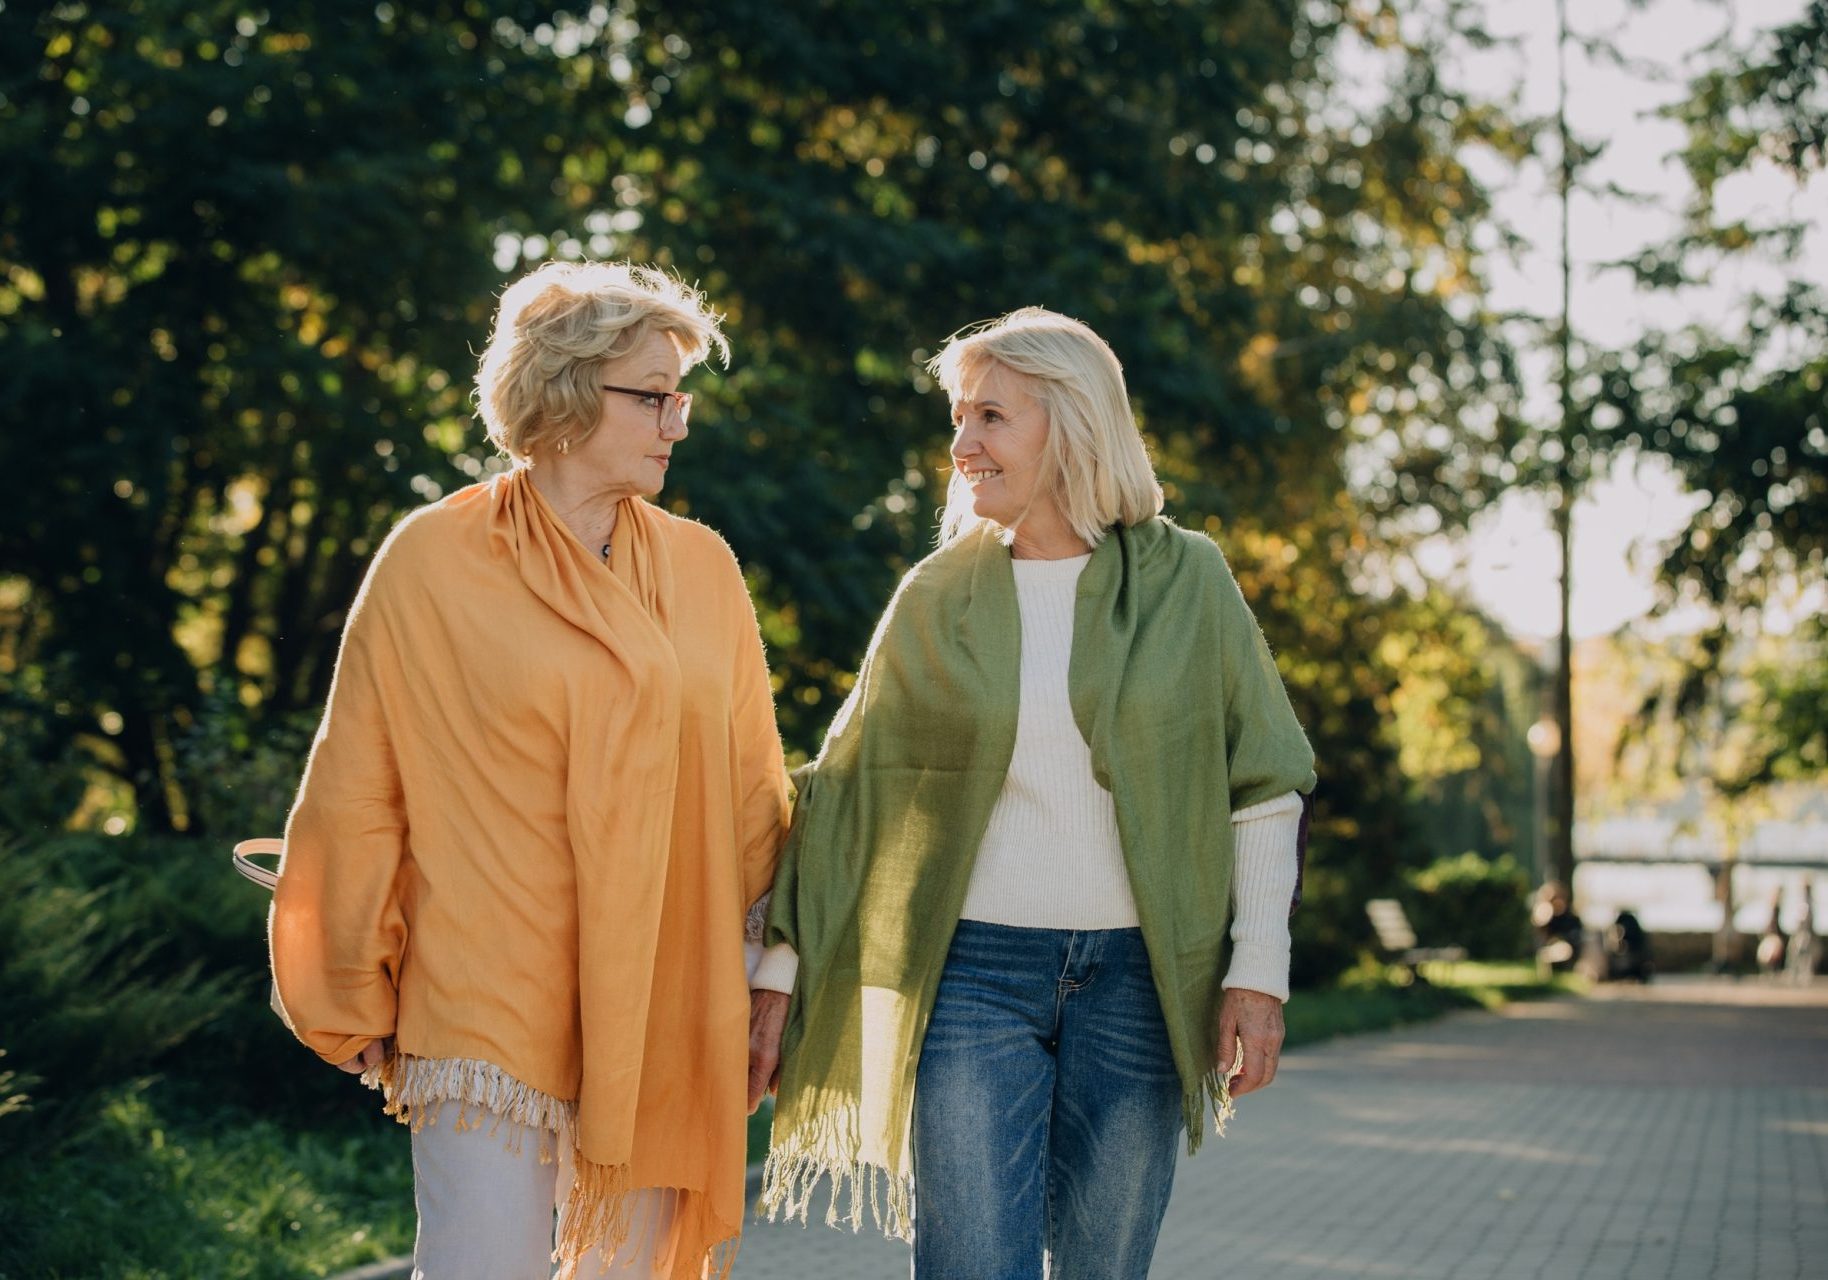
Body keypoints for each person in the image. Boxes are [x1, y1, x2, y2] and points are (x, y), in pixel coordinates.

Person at [747, 308, 1316, 1278]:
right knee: (971, 1263)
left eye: (991, 417)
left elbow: (1261, 779)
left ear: (1072, 421)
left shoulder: (1190, 581)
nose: (962, 444)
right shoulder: (936, 595)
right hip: (971, 973)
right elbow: (848, 791)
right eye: (959, 419)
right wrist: (774, 974)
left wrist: (1256, 971)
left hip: (1139, 981)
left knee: (1103, 1266)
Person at [267, 261, 791, 1280]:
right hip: (481, 995)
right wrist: (348, 985)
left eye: (681, 397)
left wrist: (765, 981)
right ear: (562, 391)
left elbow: (750, 792)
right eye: (652, 395)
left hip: (656, 1001)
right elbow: (360, 783)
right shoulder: (432, 559)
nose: (677, 423)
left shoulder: (701, 570)